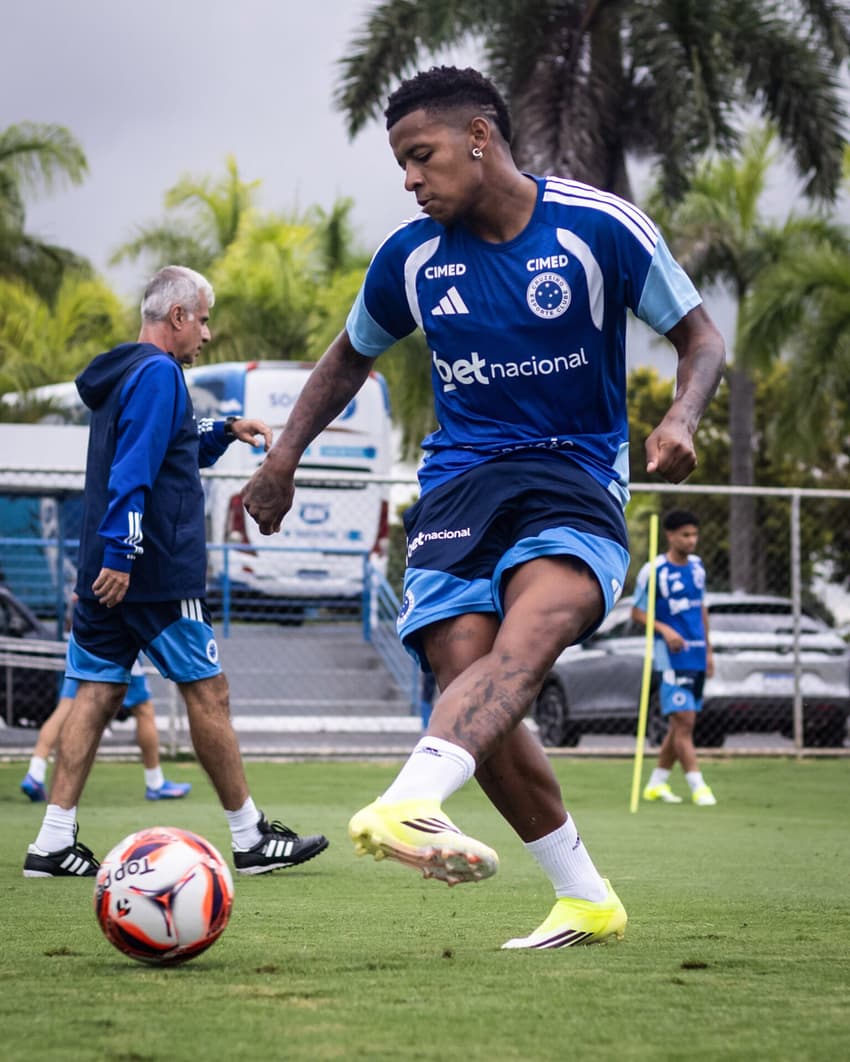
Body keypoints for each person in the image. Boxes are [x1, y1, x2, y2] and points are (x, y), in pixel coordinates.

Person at [242, 66, 725, 948]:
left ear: (479, 137)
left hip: (574, 474)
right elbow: (347, 357)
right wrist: (283, 457)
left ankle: (409, 799)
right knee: (466, 678)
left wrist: (682, 415)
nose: (411, 180)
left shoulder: (596, 226)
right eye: (401, 165)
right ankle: (585, 898)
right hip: (461, 483)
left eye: (421, 157)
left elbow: (699, 334)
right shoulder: (410, 259)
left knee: (529, 636)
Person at [23, 265, 329, 878]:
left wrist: (224, 430)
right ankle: (248, 838)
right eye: (205, 319)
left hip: (108, 571)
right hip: (154, 572)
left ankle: (51, 844)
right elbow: (132, 471)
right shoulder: (162, 373)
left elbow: (166, 444)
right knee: (208, 691)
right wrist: (123, 555)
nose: (208, 335)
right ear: (179, 317)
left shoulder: (129, 371)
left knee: (97, 690)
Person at [632, 509, 717, 806]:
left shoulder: (697, 567)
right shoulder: (653, 570)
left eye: (695, 534)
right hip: (669, 657)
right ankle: (699, 786)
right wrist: (665, 629)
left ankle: (656, 784)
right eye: (685, 535)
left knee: (681, 725)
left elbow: (701, 609)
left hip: (695, 654)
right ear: (670, 536)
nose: (692, 540)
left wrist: (708, 650)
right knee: (684, 721)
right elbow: (637, 612)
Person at [20, 658, 191, 803]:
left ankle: (35, 773)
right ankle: (155, 783)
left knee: (67, 707)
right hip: (118, 639)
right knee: (143, 709)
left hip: (85, 637)